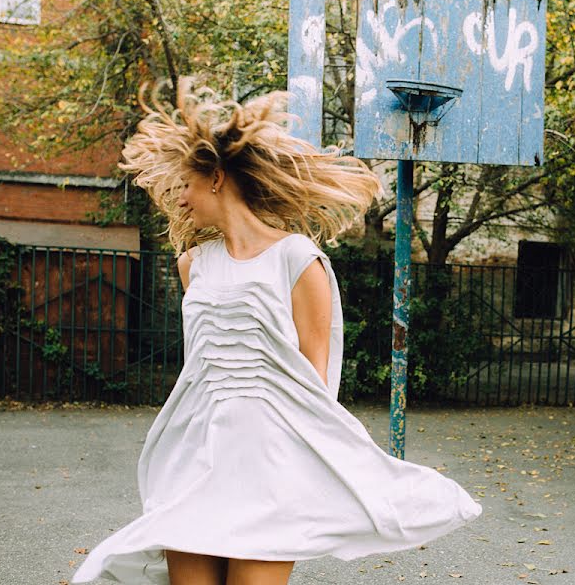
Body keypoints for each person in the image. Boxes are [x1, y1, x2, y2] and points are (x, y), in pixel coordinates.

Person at [73, 79, 481, 585]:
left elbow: (316, 376)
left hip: (269, 466)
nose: (178, 198)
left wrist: (309, 472)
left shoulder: (297, 259)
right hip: (193, 455)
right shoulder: (192, 265)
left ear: (217, 177)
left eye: (185, 184)